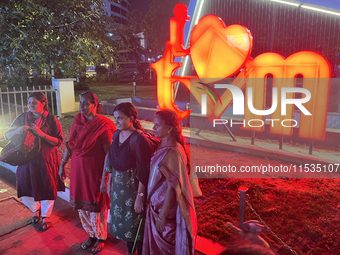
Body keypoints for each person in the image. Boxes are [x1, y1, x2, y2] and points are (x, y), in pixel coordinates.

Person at [59, 91, 115, 254]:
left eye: (85, 103)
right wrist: (62, 164)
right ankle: (91, 234)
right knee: (82, 204)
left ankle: (101, 237)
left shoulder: (103, 125)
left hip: (94, 171)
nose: (81, 106)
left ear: (94, 105)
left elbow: (109, 153)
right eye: (80, 103)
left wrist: (107, 176)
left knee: (96, 204)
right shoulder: (78, 120)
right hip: (78, 170)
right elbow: (71, 144)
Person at [4, 92, 64, 231]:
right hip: (25, 160)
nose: (31, 105)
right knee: (25, 186)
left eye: (34, 102)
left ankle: (46, 215)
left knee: (47, 186)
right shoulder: (22, 118)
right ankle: (35, 210)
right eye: (29, 102)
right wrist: (16, 131)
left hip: (46, 160)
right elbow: (7, 134)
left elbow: (58, 141)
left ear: (43, 103)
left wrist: (41, 134)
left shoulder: (51, 121)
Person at [143, 109, 197, 255]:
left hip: (164, 212)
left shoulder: (173, 152)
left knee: (165, 248)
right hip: (156, 207)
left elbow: (173, 188)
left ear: (169, 129)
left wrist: (162, 215)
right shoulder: (163, 145)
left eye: (157, 125)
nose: (153, 128)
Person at [101, 102, 152, 255]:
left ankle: (141, 251)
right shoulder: (117, 134)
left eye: (120, 118)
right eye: (115, 118)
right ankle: (130, 251)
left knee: (135, 224)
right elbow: (112, 158)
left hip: (133, 190)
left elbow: (144, 171)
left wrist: (140, 197)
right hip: (118, 189)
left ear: (131, 118)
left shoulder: (139, 139)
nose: (116, 122)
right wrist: (108, 180)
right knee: (124, 223)